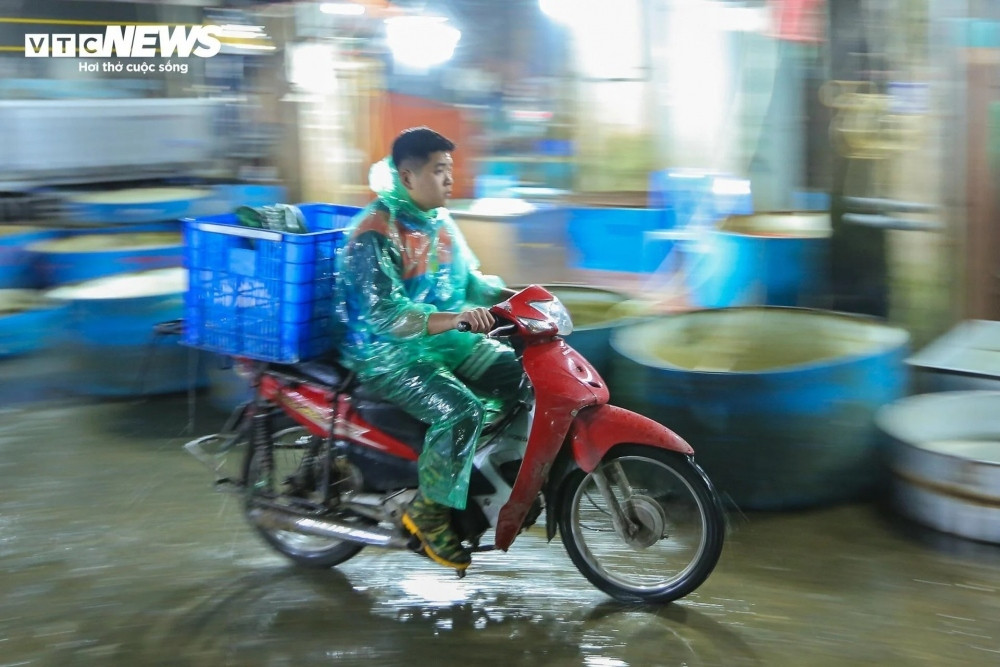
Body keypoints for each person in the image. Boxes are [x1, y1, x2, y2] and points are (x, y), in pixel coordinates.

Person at [336, 127, 522, 571]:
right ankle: (430, 511)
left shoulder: (438, 221)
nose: (449, 179)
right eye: (439, 170)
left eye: (450, 170)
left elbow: (469, 283)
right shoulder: (375, 233)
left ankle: (484, 475)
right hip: (387, 354)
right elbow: (387, 316)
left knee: (521, 374)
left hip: (440, 342)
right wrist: (456, 319)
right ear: (408, 175)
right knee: (461, 411)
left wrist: (515, 298)